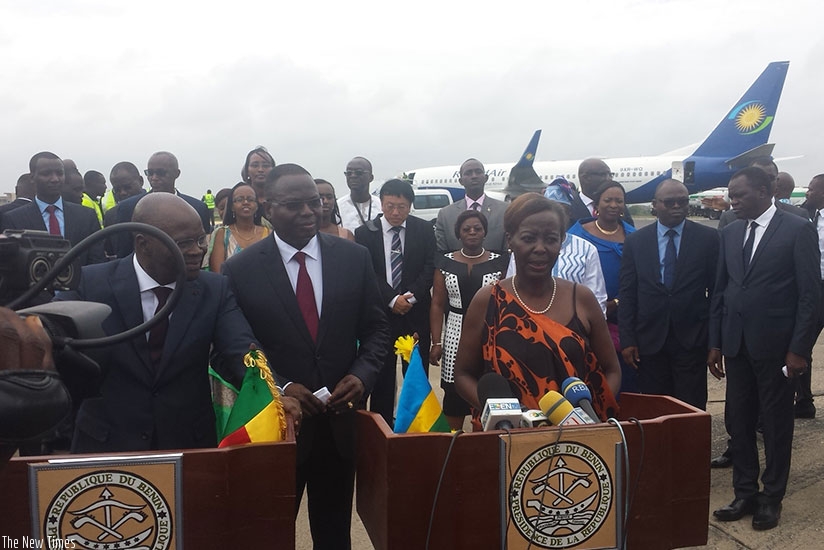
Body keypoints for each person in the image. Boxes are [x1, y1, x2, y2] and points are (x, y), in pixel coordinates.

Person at [222, 163, 389, 550]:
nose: (308, 213)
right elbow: (235, 346)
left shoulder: (353, 257)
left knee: (334, 535)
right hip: (276, 429)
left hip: (338, 425)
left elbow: (377, 328)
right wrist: (279, 387)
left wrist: (363, 374)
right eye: (294, 206)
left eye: (314, 204)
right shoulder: (240, 269)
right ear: (267, 206)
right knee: (268, 533)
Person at [56, 193, 299, 452]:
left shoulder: (213, 290)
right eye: (183, 243)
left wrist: (273, 394)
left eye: (200, 239)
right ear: (143, 243)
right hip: (107, 443)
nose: (197, 251)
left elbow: (240, 348)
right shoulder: (89, 284)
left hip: (188, 445)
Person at [707, 167, 820, 531]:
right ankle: (745, 492)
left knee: (775, 425)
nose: (731, 201)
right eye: (730, 194)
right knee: (738, 421)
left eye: (738, 195)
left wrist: (799, 349)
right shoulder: (730, 231)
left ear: (763, 191)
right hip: (737, 345)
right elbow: (721, 291)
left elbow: (810, 296)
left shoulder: (796, 229)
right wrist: (716, 342)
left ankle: (772, 497)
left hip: (776, 349)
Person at [454, 193, 621, 423]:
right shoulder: (488, 300)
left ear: (562, 240)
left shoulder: (582, 298)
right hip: (506, 440)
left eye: (551, 239)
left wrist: (587, 415)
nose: (540, 248)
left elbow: (611, 370)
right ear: (510, 240)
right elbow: (463, 375)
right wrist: (503, 415)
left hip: (577, 442)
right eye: (529, 238)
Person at [619, 179, 719, 409]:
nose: (677, 206)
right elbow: (628, 293)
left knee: (691, 405)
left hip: (692, 340)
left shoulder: (708, 239)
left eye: (682, 202)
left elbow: (716, 294)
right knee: (656, 406)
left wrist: (715, 343)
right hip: (649, 341)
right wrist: (628, 340)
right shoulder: (636, 242)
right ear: (655, 204)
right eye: (669, 202)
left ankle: (690, 447)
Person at [355, 179, 436, 428]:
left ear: (410, 206)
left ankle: (415, 425)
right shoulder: (365, 233)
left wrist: (410, 297)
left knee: (415, 373)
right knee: (381, 374)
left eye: (401, 207)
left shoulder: (423, 229)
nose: (395, 212)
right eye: (390, 206)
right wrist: (392, 300)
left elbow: (429, 266)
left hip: (415, 312)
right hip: (381, 314)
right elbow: (368, 272)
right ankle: (382, 427)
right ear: (381, 203)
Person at [430, 210, 508, 430]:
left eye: (477, 228)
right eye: (466, 229)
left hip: (489, 332)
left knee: (486, 389)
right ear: (458, 234)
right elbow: (437, 303)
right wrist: (436, 342)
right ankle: (454, 447)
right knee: (454, 394)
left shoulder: (500, 262)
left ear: (485, 232)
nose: (472, 232)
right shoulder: (445, 262)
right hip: (455, 330)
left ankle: (481, 442)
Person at [567, 180, 636, 392]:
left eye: (619, 201)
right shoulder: (576, 235)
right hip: (586, 319)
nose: (614, 205)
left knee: (626, 381)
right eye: (608, 200)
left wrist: (617, 303)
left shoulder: (634, 236)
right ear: (597, 204)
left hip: (626, 318)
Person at [1, 152, 105, 268]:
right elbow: (10, 266)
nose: (55, 179)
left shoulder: (86, 216)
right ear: (32, 178)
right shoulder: (13, 219)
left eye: (59, 173)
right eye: (46, 174)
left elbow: (97, 262)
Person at [112, 151, 212, 257]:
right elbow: (124, 252)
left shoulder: (198, 208)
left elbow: (201, 249)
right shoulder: (128, 208)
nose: (154, 178)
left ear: (176, 174)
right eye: (150, 173)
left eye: (161, 173)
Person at [795, 174, 824, 419]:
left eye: (811, 190)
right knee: (802, 345)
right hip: (814, 290)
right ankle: (804, 402)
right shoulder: (807, 217)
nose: (807, 194)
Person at [434, 158, 507, 253]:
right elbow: (442, 252)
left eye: (478, 172)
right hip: (457, 267)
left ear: (486, 178)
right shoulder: (445, 215)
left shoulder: (504, 211)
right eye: (468, 173)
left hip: (496, 267)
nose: (474, 176)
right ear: (461, 181)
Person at [718, 158, 808, 229]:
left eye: (770, 177)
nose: (765, 182)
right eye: (758, 177)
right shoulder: (729, 218)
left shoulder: (798, 216)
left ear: (777, 181)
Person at [209, 182, 270, 272]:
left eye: (250, 199)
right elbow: (218, 273)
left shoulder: (269, 233)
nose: (245, 202)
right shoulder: (222, 234)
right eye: (239, 199)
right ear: (232, 206)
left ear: (257, 206)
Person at [568, 159, 634, 227]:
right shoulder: (568, 208)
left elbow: (631, 234)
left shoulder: (618, 207)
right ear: (585, 178)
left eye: (610, 175)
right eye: (603, 175)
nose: (609, 179)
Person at [338, 156, 382, 233]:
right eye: (349, 173)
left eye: (359, 173)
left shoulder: (381, 205)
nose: (353, 176)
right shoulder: (338, 207)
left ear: (371, 178)